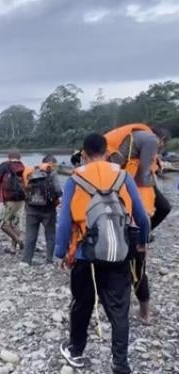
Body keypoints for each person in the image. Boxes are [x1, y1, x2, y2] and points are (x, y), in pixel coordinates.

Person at [55, 133, 150, 374]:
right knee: (119, 312)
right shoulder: (123, 176)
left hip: (86, 257)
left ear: (84, 155)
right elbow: (142, 216)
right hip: (120, 253)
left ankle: (76, 350)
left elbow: (64, 223)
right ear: (108, 152)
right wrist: (140, 243)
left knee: (82, 305)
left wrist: (60, 253)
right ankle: (120, 363)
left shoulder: (75, 179)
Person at [104, 123, 172, 323]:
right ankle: (145, 313)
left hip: (119, 203)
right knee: (138, 265)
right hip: (135, 206)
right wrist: (153, 172)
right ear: (161, 140)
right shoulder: (150, 140)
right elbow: (142, 177)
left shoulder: (135, 138)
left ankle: (114, 307)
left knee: (117, 265)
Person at [21, 155, 62, 265]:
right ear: (52, 163)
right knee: (50, 235)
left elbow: (25, 187)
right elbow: (58, 190)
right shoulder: (52, 172)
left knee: (30, 234)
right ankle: (49, 260)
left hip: (31, 208)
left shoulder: (33, 171)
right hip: (48, 210)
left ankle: (26, 260)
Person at [0, 149, 26, 253]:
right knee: (15, 223)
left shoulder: (4, 165)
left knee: (2, 223)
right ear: (20, 157)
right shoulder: (23, 166)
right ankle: (13, 248)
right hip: (21, 199)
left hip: (7, 199)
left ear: (9, 156)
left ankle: (18, 240)